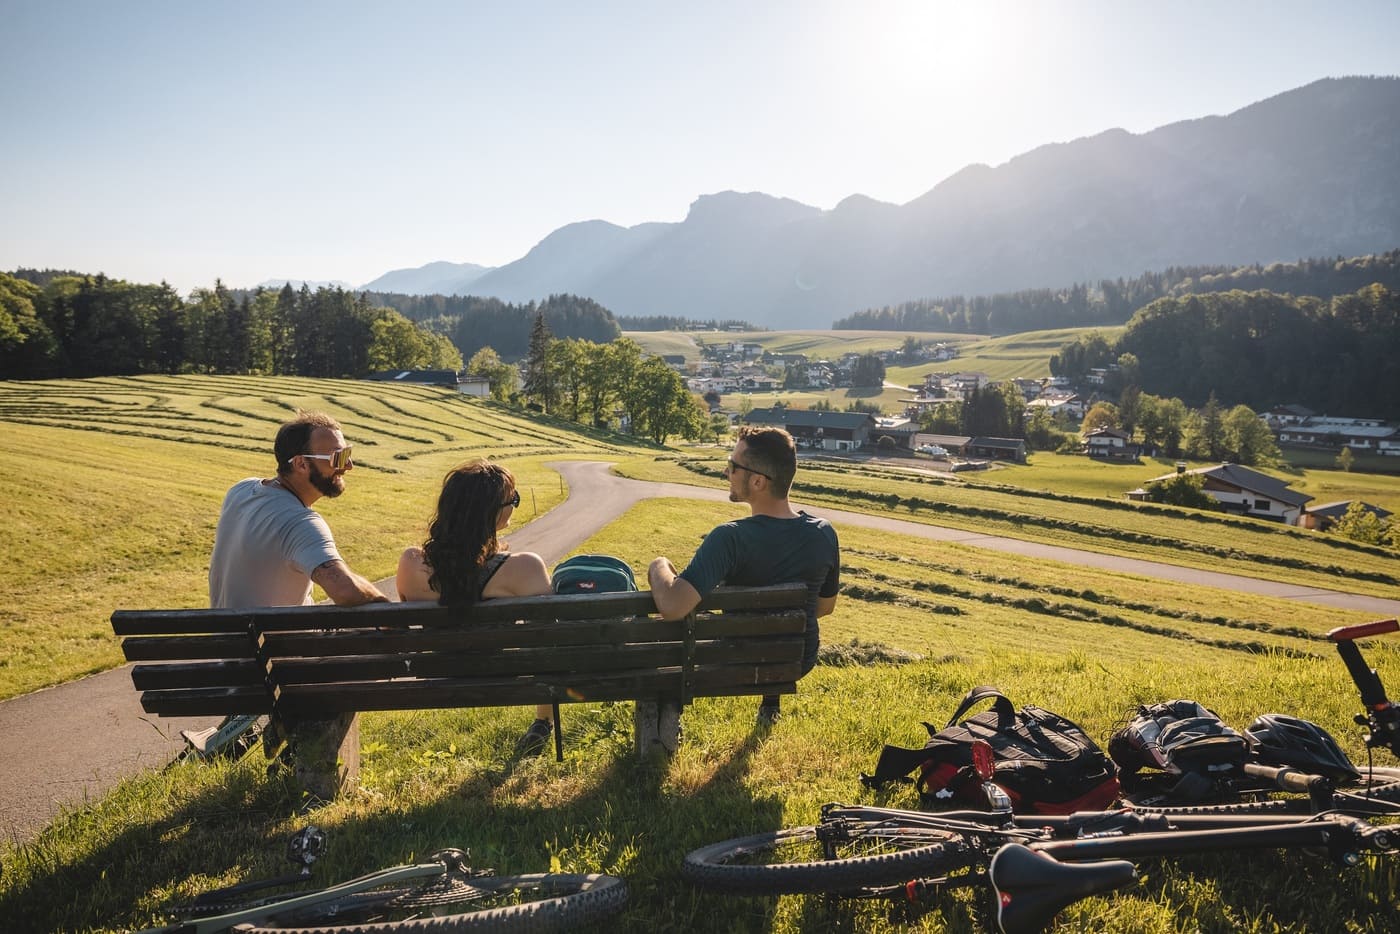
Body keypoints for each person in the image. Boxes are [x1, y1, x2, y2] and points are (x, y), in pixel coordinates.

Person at [648, 425, 840, 724]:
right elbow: (824, 608)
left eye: (733, 466)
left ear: (759, 481)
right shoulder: (824, 533)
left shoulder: (730, 539)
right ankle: (770, 702)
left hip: (737, 660)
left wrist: (658, 565)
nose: (727, 473)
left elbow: (673, 607)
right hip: (796, 660)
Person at [396, 460, 557, 756]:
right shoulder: (525, 567)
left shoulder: (410, 563)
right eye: (513, 500)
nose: (514, 505)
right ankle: (542, 722)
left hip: (437, 674)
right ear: (494, 513)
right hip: (502, 674)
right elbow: (545, 640)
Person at [209, 411, 387, 610]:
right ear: (301, 464)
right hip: (276, 640)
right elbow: (345, 590)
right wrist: (387, 606)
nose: (348, 466)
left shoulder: (241, 490)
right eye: (338, 457)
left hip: (230, 635)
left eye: (348, 453)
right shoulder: (300, 522)